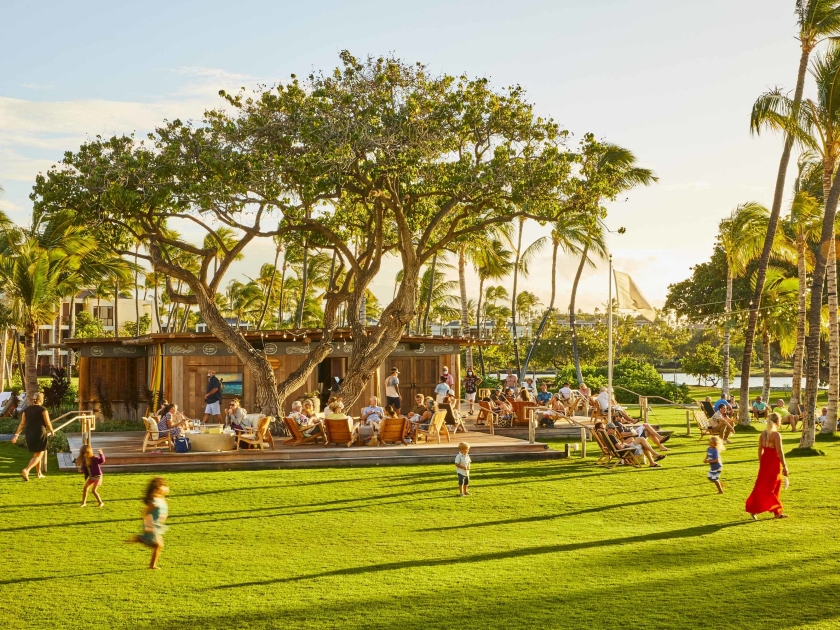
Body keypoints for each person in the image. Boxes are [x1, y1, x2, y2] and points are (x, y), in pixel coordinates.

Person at [745, 413, 789, 520]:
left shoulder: (763, 434)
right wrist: (785, 465)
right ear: (777, 422)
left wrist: (761, 462)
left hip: (765, 461)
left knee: (762, 486)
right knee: (773, 486)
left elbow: (760, 449)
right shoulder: (776, 435)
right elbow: (779, 452)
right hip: (773, 462)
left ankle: (758, 509)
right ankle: (777, 510)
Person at [11, 392, 55, 481]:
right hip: (40, 433)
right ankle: (26, 470)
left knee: (36, 454)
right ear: (41, 400)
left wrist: (16, 435)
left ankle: (39, 473)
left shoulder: (26, 410)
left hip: (30, 434)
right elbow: (48, 423)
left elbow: (22, 423)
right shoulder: (43, 410)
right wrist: (52, 431)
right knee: (39, 455)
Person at [129, 477, 170, 569]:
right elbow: (146, 512)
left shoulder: (160, 498)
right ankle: (140, 539)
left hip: (158, 524)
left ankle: (141, 540)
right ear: (158, 488)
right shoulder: (154, 500)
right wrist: (147, 524)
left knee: (158, 545)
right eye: (163, 486)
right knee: (158, 545)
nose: (166, 487)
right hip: (152, 524)